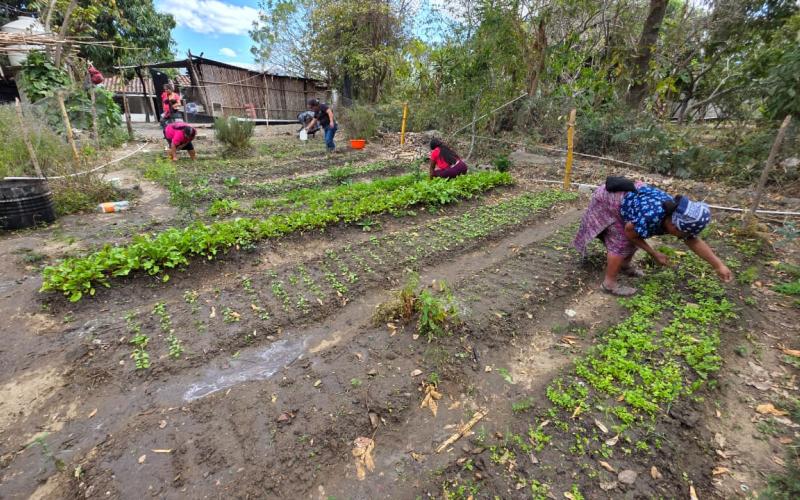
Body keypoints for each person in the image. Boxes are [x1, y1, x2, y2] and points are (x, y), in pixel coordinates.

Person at [573, 176, 732, 296]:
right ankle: (609, 284)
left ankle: (625, 266)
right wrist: (654, 253)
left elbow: (693, 240)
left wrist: (718, 265)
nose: (683, 237)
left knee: (635, 239)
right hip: (610, 199)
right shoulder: (652, 216)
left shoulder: (674, 214)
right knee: (621, 242)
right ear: (673, 224)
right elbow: (630, 232)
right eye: (682, 233)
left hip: (629, 200)